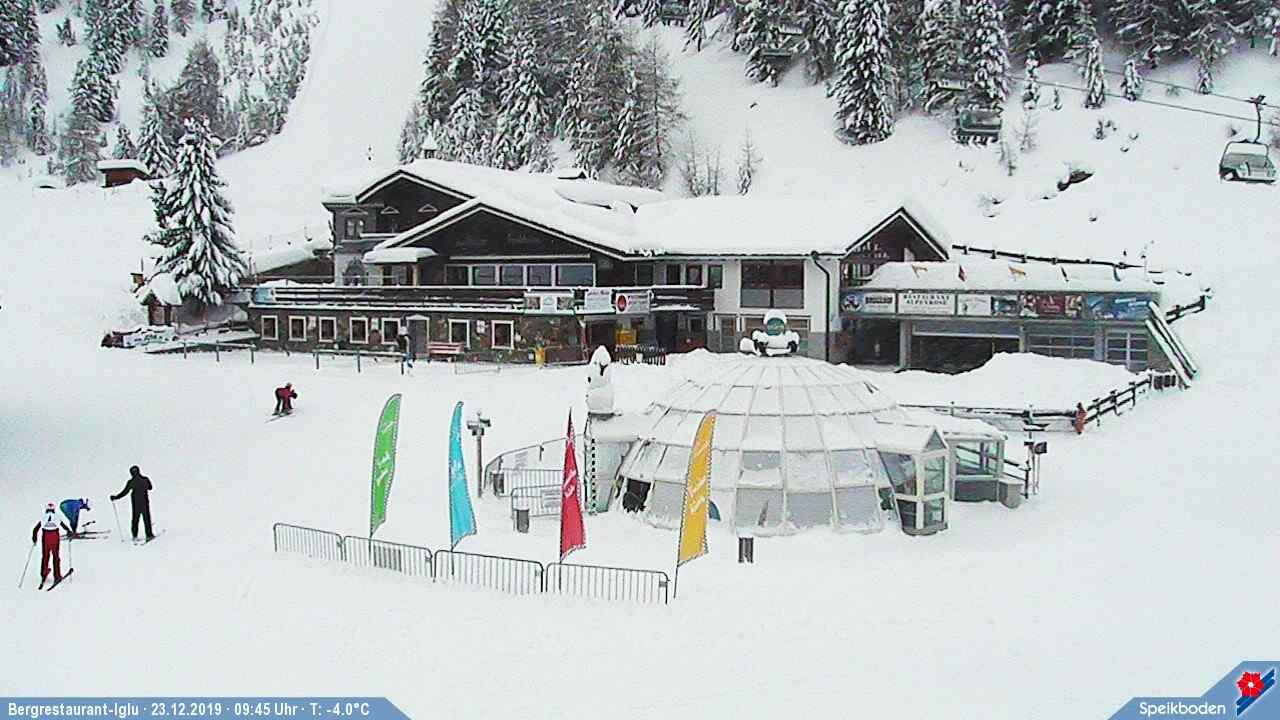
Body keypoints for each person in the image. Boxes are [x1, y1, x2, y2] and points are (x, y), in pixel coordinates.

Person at [31, 503, 71, 588]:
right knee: (55, 556)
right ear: (53, 509)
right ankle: (57, 575)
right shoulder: (56, 516)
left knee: (45, 556)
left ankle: (44, 573)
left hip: (46, 537)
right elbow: (63, 525)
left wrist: (34, 538)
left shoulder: (43, 517)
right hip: (54, 537)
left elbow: (36, 529)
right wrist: (69, 531)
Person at [111, 465, 155, 542]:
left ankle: (134, 535)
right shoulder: (145, 479)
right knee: (146, 519)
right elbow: (150, 488)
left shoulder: (131, 482)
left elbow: (124, 492)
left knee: (135, 519)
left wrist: (115, 497)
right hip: (145, 503)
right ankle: (149, 535)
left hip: (135, 504)